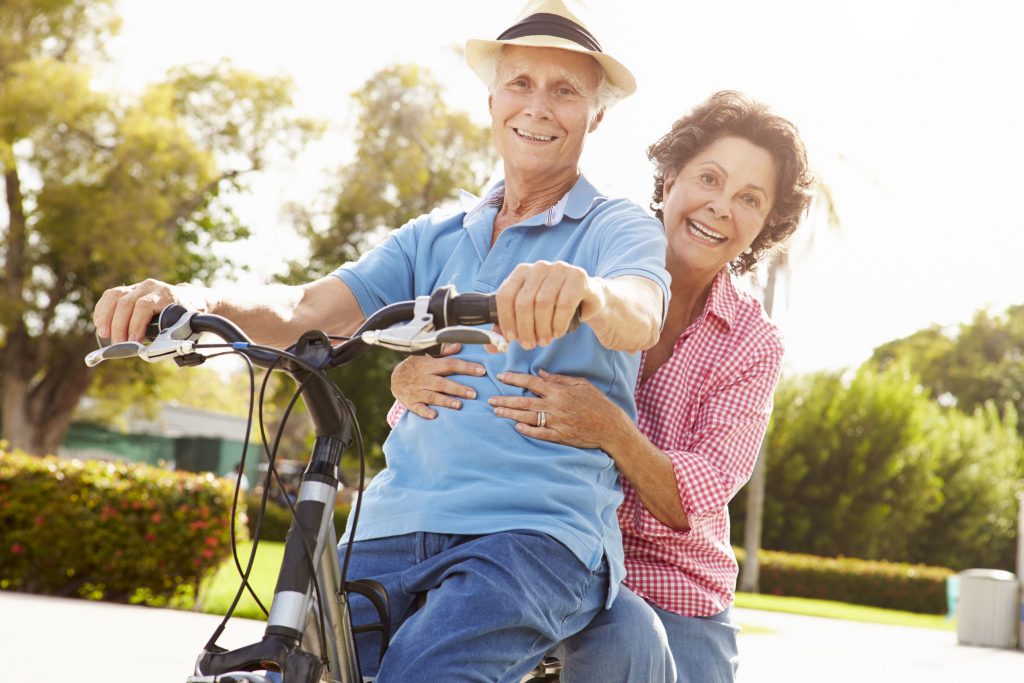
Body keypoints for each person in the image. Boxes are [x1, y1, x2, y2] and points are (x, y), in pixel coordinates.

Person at [91, 1, 669, 680]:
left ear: (595, 114)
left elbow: (641, 307)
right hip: (390, 524)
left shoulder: (616, 226)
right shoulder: (434, 236)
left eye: (565, 90)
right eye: (520, 83)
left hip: (531, 534)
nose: (537, 106)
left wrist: (588, 293)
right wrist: (195, 300)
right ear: (491, 98)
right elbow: (308, 307)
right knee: (294, 667)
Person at [389, 90, 814, 682]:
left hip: (672, 579)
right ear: (669, 180)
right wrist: (406, 379)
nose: (721, 207)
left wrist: (612, 429)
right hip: (540, 545)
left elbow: (691, 504)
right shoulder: (584, 261)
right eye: (708, 179)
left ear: (765, 225)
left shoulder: (752, 342)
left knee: (632, 637)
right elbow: (476, 394)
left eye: (749, 199)